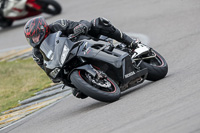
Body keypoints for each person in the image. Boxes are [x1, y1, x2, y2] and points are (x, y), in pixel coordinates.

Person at [24, 16, 139, 99]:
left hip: (83, 44)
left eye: (36, 35)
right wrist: (54, 76)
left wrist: (81, 26)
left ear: (44, 29)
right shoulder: (37, 54)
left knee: (98, 22)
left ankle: (131, 43)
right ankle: (99, 80)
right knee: (78, 93)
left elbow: (80, 23)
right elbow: (46, 68)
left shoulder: (58, 25)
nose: (35, 40)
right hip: (66, 62)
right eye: (32, 38)